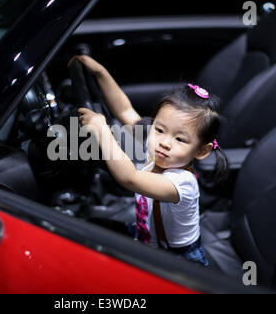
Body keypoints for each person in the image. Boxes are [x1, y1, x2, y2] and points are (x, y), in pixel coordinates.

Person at [72, 55, 229, 266]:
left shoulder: (182, 183)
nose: (164, 142)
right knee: (86, 228)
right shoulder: (156, 147)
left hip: (179, 259)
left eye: (180, 139)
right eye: (159, 129)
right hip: (147, 238)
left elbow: (129, 178)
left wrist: (101, 130)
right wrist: (101, 73)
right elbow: (125, 110)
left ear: (201, 151)